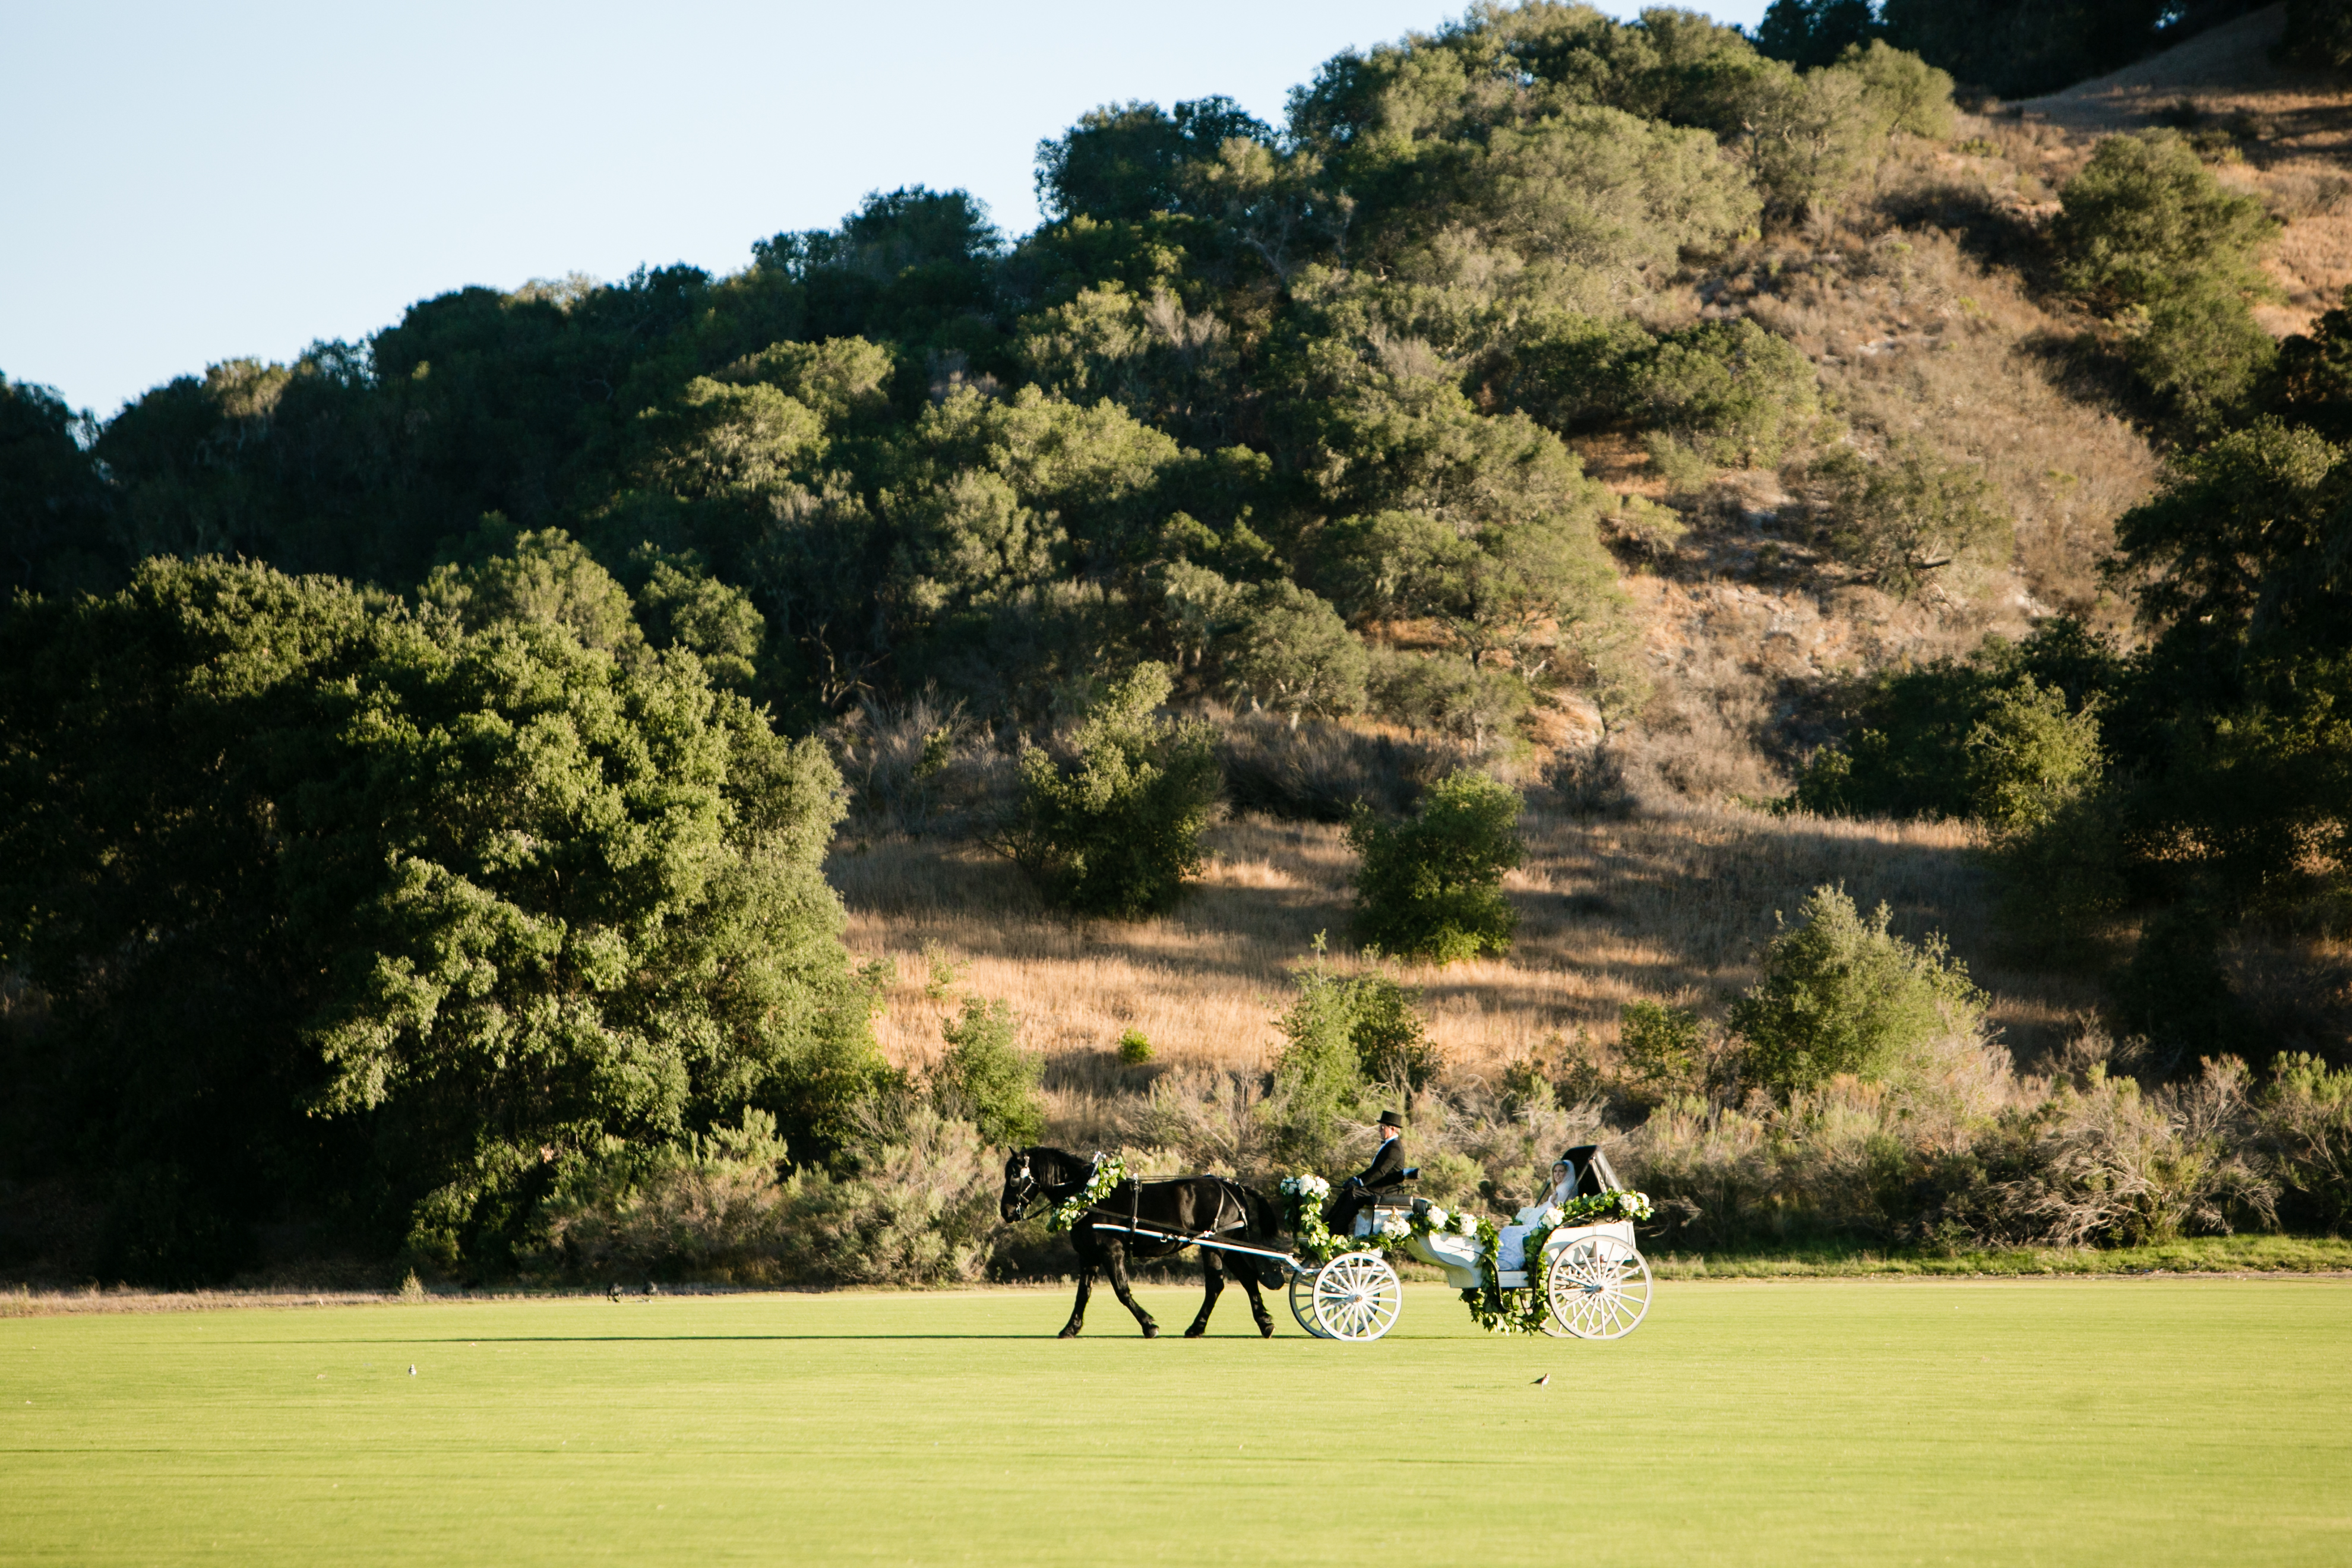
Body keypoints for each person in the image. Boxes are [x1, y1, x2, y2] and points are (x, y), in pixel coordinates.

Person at [1327, 1110, 1408, 1235]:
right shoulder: (1389, 1146)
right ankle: (1329, 1225)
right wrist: (1354, 1179)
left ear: (1392, 1129)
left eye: (1382, 1128)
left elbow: (1380, 1172)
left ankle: (1337, 1231)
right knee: (1346, 1193)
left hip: (1385, 1189)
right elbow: (1372, 1170)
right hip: (1377, 1186)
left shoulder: (1395, 1148)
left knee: (1353, 1195)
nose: (1379, 1131)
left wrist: (1360, 1184)